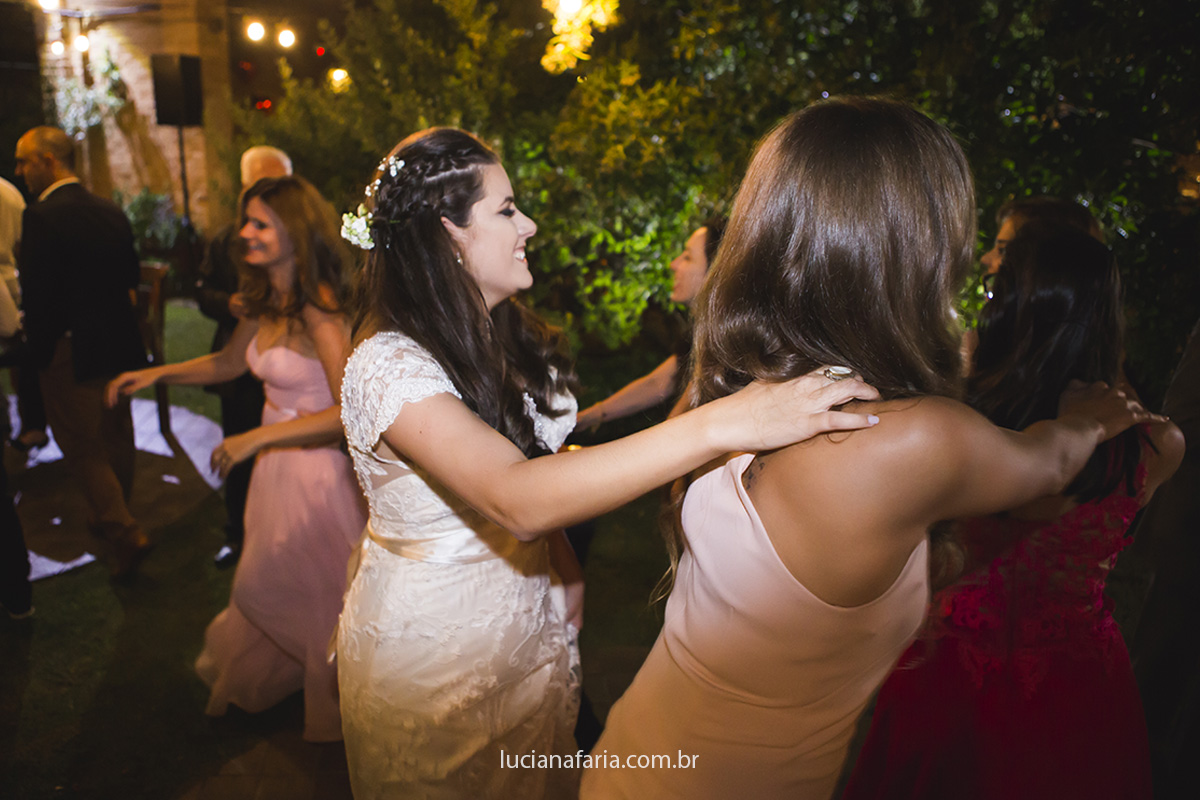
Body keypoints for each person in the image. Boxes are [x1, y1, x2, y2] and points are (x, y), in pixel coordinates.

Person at [579, 98, 1160, 800]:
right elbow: (1049, 463)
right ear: (918, 249)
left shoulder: (748, 389)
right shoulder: (916, 441)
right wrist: (1090, 421)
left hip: (631, 755)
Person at [335, 127, 884, 799]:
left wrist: (563, 567)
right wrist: (733, 421)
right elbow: (516, 496)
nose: (528, 224)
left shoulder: (504, 338)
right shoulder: (386, 364)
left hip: (523, 621)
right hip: (432, 648)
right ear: (447, 231)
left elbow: (531, 463)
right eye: (506, 210)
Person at [840, 222, 1182, 800]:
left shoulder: (965, 422)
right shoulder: (1156, 446)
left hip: (947, 671)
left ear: (1023, 309)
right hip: (1075, 684)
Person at [107, 176, 366, 742]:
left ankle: (342, 704)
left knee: (308, 587)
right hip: (276, 467)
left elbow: (353, 412)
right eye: (245, 220)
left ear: (295, 233)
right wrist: (155, 374)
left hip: (318, 474)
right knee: (291, 582)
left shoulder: (321, 308)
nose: (244, 233)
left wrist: (254, 440)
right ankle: (297, 675)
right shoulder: (265, 297)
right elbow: (227, 363)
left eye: (260, 224)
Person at [14, 126, 148, 579]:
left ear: (48, 161)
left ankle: (122, 527)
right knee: (117, 433)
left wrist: (40, 349)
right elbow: (130, 274)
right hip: (121, 342)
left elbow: (37, 294)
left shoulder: (41, 216)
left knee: (80, 442)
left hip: (72, 348)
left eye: (23, 161)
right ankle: (111, 511)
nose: (18, 171)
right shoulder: (109, 209)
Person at [194, 146, 292, 569]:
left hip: (289, 374)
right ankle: (237, 533)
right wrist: (225, 302)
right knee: (238, 453)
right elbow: (202, 291)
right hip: (244, 366)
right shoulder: (225, 240)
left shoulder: (305, 249)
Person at [574, 216, 726, 430]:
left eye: (688, 258)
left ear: (715, 272)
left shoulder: (723, 342)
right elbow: (657, 383)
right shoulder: (698, 334)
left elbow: (674, 426)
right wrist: (591, 416)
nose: (674, 264)